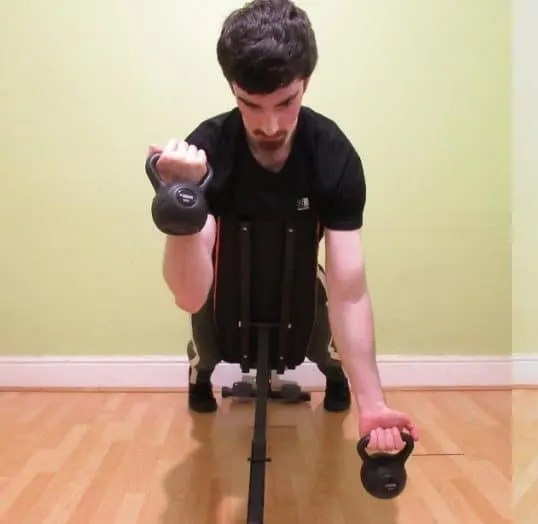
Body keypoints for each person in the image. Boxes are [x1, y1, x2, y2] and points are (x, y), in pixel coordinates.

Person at [149, 0, 418, 454]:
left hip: (299, 281)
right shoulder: (209, 149)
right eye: (250, 104)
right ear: (232, 88)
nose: (269, 124)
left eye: (286, 102)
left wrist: (372, 403)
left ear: (306, 83)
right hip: (222, 281)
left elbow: (349, 289)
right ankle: (201, 371)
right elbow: (190, 295)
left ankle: (340, 382)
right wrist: (182, 205)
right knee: (210, 343)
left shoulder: (333, 155)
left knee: (323, 343)